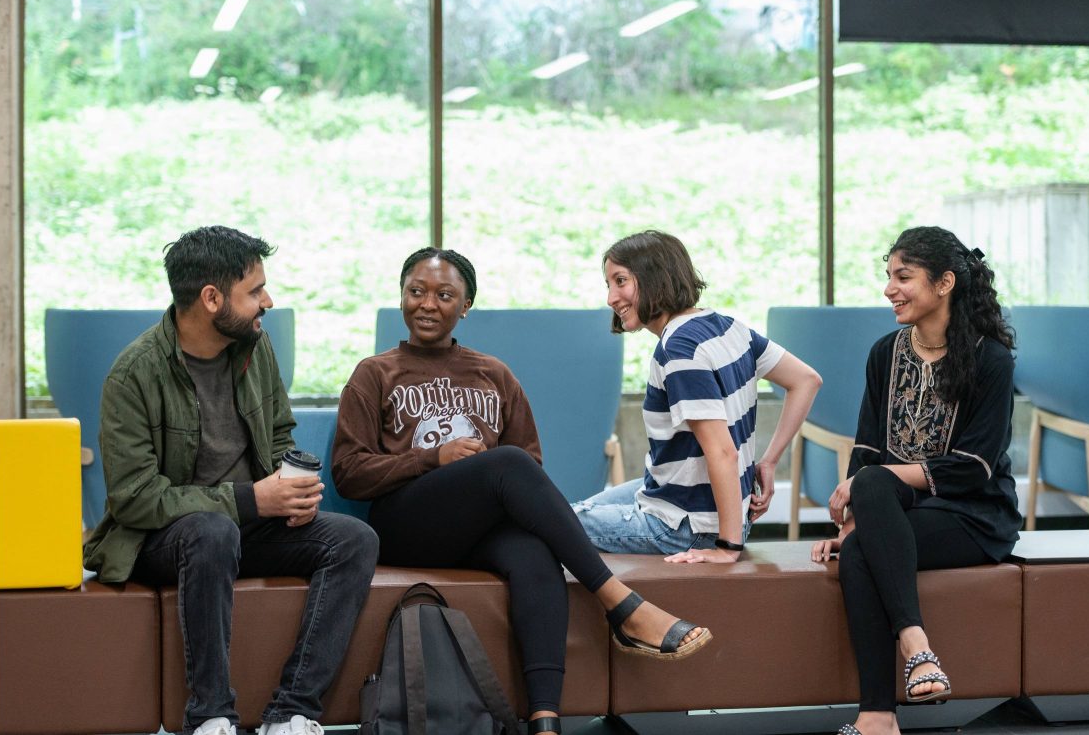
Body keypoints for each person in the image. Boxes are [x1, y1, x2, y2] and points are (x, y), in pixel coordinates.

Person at [332, 247, 713, 735]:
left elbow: (529, 468)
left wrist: (485, 480)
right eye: (416, 292)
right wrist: (431, 458)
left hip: (475, 531)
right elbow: (348, 471)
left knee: (535, 552)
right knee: (505, 462)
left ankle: (545, 722)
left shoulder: (494, 373)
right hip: (406, 525)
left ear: (465, 305)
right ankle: (622, 605)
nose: (427, 304)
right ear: (402, 298)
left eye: (444, 295)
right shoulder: (375, 373)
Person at [83, 226, 379, 735]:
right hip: (164, 539)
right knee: (211, 532)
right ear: (212, 298)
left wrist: (291, 485)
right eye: (255, 290)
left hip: (248, 523)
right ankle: (211, 715)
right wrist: (252, 499)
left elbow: (281, 430)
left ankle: (293, 712)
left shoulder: (253, 348)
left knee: (354, 540)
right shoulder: (133, 375)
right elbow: (134, 500)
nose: (268, 300)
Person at [810, 226, 1022, 735]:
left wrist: (871, 495)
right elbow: (865, 449)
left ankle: (878, 713)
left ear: (945, 282)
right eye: (888, 277)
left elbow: (974, 467)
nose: (890, 289)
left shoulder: (990, 358)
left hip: (974, 515)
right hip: (898, 512)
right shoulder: (886, 352)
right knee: (869, 500)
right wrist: (848, 525)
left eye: (903, 277)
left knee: (867, 538)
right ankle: (916, 653)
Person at [573, 230, 822, 563]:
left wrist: (727, 547)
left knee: (549, 521)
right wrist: (769, 462)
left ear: (654, 278)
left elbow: (722, 452)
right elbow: (806, 380)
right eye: (609, 285)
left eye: (621, 281)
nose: (611, 298)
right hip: (690, 505)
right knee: (560, 511)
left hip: (687, 526)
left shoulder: (679, 349)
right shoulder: (728, 326)